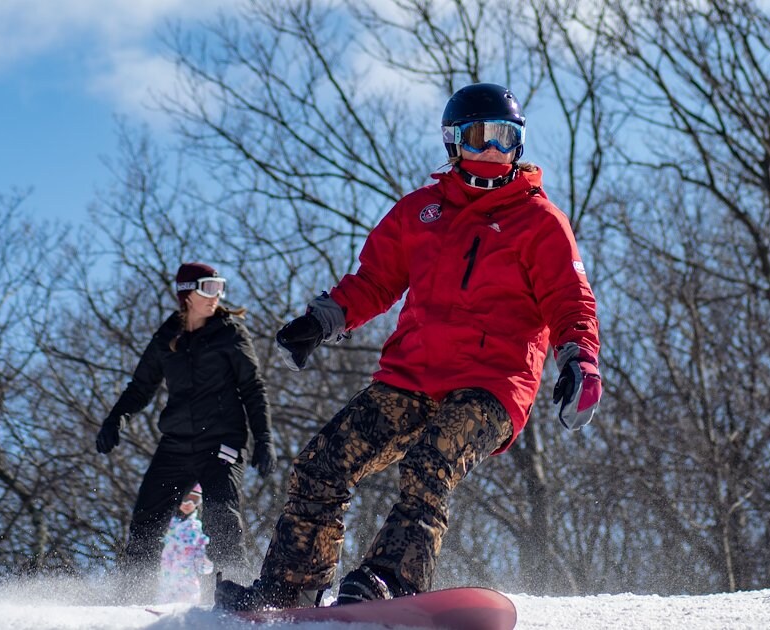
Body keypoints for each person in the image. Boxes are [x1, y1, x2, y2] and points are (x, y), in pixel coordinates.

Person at [216, 82, 602, 611]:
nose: (493, 150)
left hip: (492, 384)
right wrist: (323, 319)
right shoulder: (421, 211)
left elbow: (570, 301)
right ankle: (291, 583)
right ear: (453, 142)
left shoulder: (539, 222)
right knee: (322, 463)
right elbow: (375, 280)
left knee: (431, 458)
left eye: (506, 138)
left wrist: (579, 360)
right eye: (479, 136)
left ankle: (389, 579)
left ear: (519, 145)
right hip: (412, 376)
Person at [95, 262, 276, 599]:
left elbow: (253, 387)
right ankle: (133, 596)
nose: (217, 296)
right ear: (187, 293)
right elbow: (140, 387)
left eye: (220, 287)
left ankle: (231, 593)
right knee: (146, 520)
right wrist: (115, 419)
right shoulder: (167, 338)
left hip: (222, 440)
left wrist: (264, 438)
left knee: (222, 514)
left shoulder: (230, 332)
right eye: (209, 288)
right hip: (177, 443)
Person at [157, 484, 214, 604]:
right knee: (165, 596)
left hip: (187, 577)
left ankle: (187, 614)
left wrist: (204, 564)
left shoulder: (196, 527)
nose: (189, 503)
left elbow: (200, 552)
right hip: (167, 576)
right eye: (185, 498)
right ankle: (164, 613)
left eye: (194, 500)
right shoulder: (168, 523)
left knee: (188, 598)